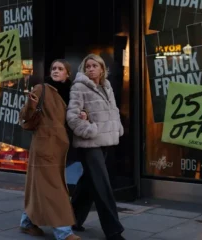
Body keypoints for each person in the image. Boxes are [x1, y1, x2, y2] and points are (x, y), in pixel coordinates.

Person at [19, 59, 81, 240]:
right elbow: (24, 115)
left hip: (60, 146)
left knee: (40, 186)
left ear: (67, 74)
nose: (55, 71)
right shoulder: (41, 89)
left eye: (60, 69)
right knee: (55, 188)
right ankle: (63, 232)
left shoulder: (71, 92)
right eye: (53, 68)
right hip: (45, 145)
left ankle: (27, 222)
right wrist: (30, 105)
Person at [67, 54, 125, 240]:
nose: (91, 69)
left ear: (102, 69)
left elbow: (113, 110)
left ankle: (73, 219)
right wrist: (89, 130)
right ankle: (113, 230)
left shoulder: (106, 86)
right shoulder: (79, 87)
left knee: (88, 182)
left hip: (106, 140)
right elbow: (72, 117)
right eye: (88, 66)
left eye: (94, 66)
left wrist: (117, 128)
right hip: (89, 143)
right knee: (102, 184)